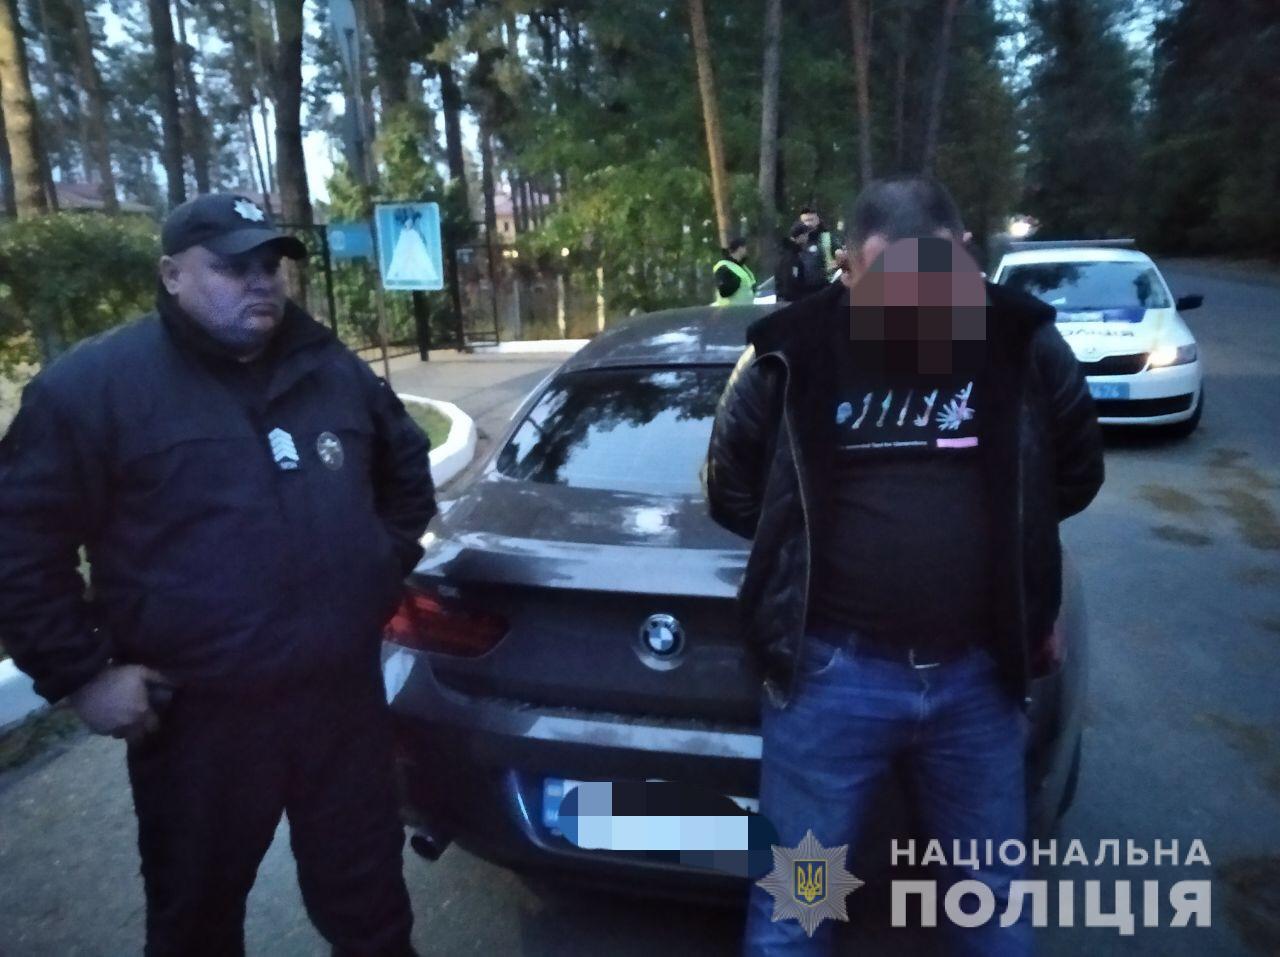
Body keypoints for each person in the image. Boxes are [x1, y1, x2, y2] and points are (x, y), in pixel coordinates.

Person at [0, 193, 436, 957]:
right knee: (195, 924)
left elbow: (405, 478)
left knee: (372, 915)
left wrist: (369, 570)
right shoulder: (95, 388)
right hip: (200, 722)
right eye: (233, 266)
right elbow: (18, 542)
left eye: (270, 263)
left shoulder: (330, 369)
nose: (259, 279)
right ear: (172, 274)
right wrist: (82, 674)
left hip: (341, 707)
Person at [705, 176, 1104, 955]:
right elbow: (733, 489)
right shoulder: (790, 350)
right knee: (797, 907)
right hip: (830, 681)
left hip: (979, 681)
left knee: (992, 899)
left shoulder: (1020, 341)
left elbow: (1072, 473)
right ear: (847, 268)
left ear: (964, 254)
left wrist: (1022, 586)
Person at [774, 222, 812, 303]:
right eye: (806, 235)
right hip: (789, 302)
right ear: (800, 236)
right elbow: (790, 281)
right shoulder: (790, 257)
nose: (807, 238)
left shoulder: (791, 253)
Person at [714, 237, 758, 306]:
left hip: (745, 309)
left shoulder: (743, 268)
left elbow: (750, 286)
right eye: (745, 248)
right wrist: (735, 281)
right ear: (740, 249)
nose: (747, 251)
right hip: (730, 310)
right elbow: (724, 292)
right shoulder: (723, 266)